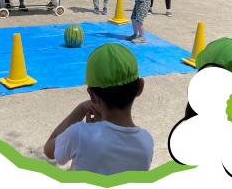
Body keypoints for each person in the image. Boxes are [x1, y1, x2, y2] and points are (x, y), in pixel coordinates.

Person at [44, 43, 154, 175]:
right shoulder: (146, 142)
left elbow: (49, 150)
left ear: (92, 96)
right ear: (140, 87)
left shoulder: (79, 135)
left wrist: (81, 109)